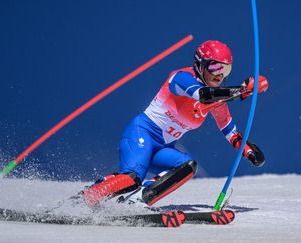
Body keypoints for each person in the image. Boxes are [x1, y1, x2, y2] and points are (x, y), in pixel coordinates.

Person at [81, 40, 268, 207]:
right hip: (142, 134)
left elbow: (231, 133)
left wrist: (250, 152)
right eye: (215, 68)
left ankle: (138, 200)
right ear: (200, 65)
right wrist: (241, 90)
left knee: (188, 166)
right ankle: (83, 201)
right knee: (131, 178)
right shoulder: (180, 77)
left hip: (162, 149)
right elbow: (201, 95)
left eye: (225, 70)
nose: (220, 75)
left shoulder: (217, 102)